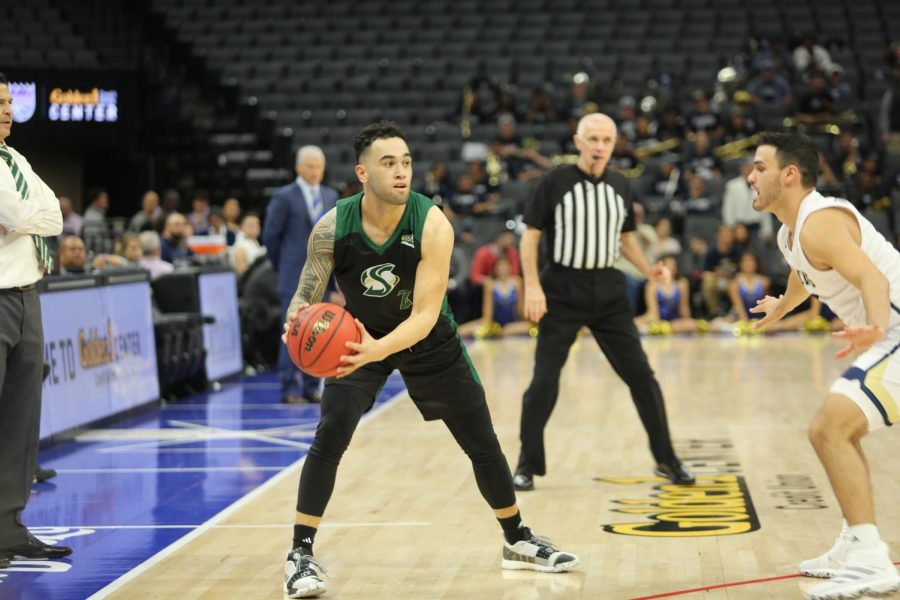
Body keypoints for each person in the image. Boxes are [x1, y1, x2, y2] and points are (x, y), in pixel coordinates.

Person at [280, 122, 579, 598]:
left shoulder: (432, 223)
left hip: (427, 339)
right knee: (331, 431)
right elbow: (306, 292)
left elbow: (423, 315)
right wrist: (296, 319)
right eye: (388, 163)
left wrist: (380, 349)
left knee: (481, 441)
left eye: (406, 162)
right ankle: (300, 554)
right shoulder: (333, 227)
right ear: (362, 172)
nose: (401, 172)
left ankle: (517, 538)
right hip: (359, 336)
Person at [747, 132, 900, 599]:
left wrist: (874, 325)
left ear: (790, 174)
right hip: (885, 336)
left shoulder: (821, 221)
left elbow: (870, 276)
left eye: (759, 167)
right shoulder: (791, 232)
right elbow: (804, 272)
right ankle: (856, 540)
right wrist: (783, 306)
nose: (750, 176)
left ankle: (872, 559)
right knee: (839, 432)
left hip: (894, 332)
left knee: (828, 430)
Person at [512, 113, 694, 492]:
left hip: (609, 292)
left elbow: (625, 238)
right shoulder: (554, 181)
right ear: (578, 142)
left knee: (642, 377)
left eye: (606, 140)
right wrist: (532, 287)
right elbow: (530, 237)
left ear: (614, 145)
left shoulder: (620, 185)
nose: (599, 146)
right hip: (561, 289)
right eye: (592, 139)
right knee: (544, 381)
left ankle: (667, 458)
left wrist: (648, 270)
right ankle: (527, 463)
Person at [0, 72, 71, 567]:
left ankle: (7, 526)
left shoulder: (15, 159)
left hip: (27, 296)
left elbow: (54, 216)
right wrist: (24, 216)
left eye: (8, 102)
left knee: (21, 421)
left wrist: (23, 217)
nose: (7, 110)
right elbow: (14, 213)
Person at [263, 146, 339, 404]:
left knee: (317, 333)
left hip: (323, 277)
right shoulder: (284, 196)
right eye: (310, 166)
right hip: (292, 277)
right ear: (298, 168)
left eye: (319, 166)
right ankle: (288, 388)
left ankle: (311, 386)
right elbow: (271, 237)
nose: (315, 171)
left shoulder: (331, 196)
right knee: (292, 330)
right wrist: (283, 266)